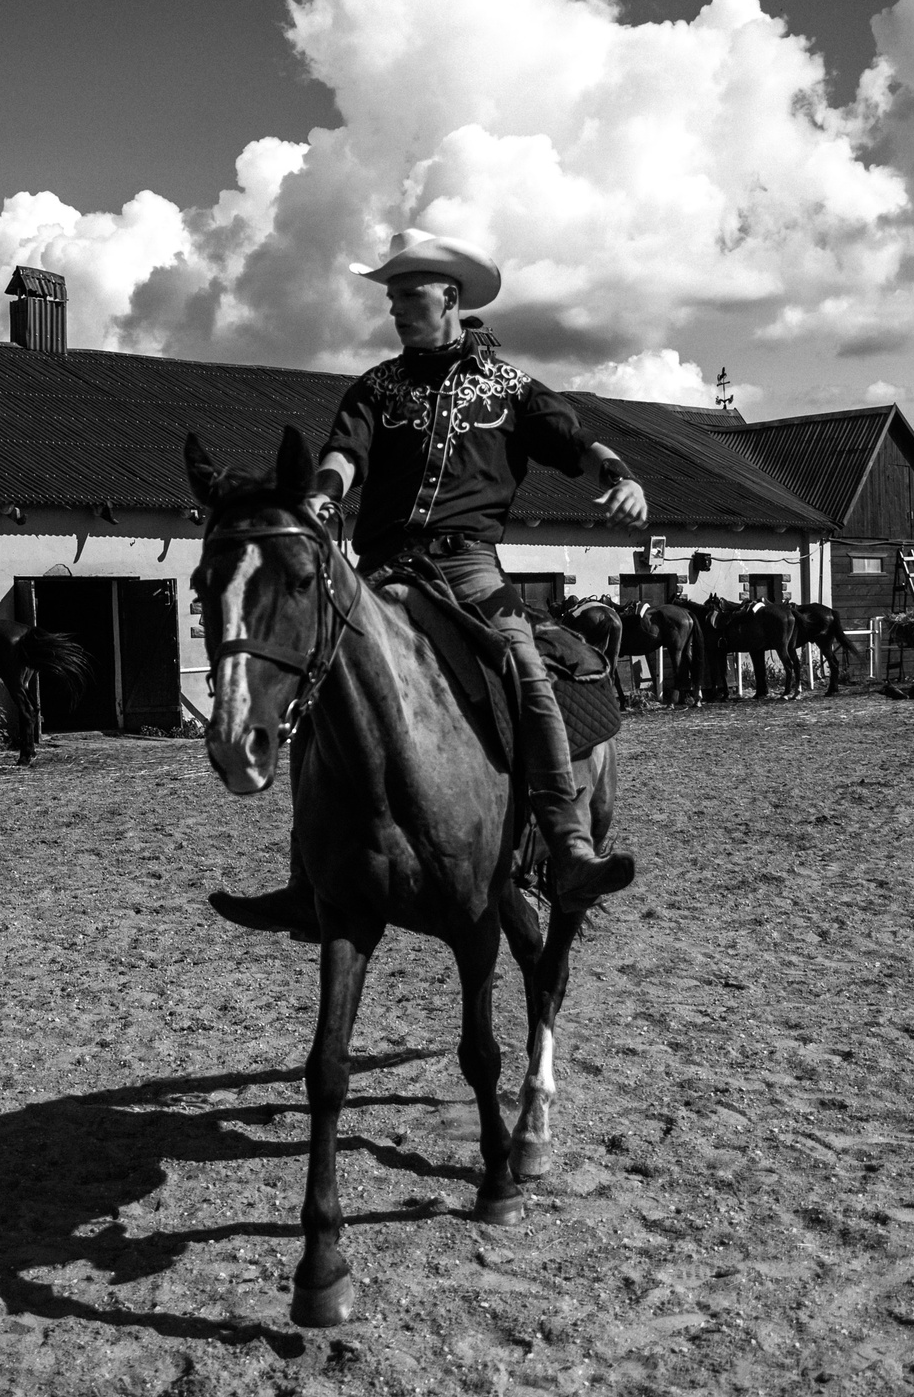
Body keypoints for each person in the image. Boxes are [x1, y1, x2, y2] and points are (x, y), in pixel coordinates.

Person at [211, 229, 647, 933]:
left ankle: (567, 843)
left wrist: (622, 477)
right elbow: (344, 453)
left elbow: (573, 444)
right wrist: (322, 498)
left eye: (406, 295)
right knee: (321, 677)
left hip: (468, 565)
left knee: (525, 667)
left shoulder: (510, 389)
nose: (393, 309)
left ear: (448, 297)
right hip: (384, 566)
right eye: (390, 297)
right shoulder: (375, 388)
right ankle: (306, 877)